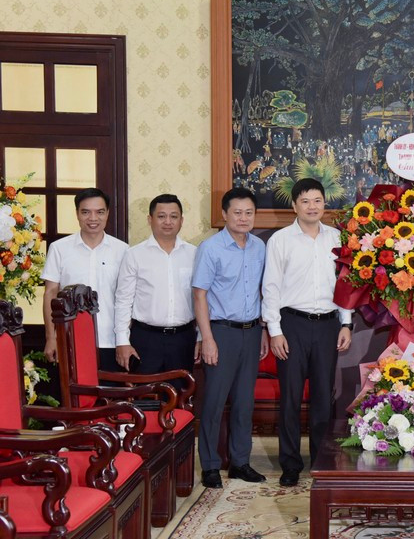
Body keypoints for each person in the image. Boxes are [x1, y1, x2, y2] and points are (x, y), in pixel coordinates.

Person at [262, 178, 353, 487]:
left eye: (317, 200)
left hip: (328, 325)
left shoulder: (337, 238)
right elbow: (271, 287)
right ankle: (290, 464)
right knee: (290, 397)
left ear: (324, 203)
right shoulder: (280, 240)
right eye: (305, 201)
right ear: (294, 206)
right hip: (292, 325)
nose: (312, 207)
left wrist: (346, 323)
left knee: (323, 398)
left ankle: (321, 462)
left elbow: (345, 284)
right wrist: (275, 331)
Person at [192, 188, 269, 489]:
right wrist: (207, 338)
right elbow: (199, 295)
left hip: (252, 331)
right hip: (221, 332)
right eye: (237, 212)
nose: (243, 218)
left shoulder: (259, 247)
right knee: (214, 402)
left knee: (244, 402)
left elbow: (262, 291)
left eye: (249, 213)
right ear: (224, 214)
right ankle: (211, 465)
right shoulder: (210, 248)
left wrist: (262, 330)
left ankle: (240, 462)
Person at [114, 194, 199, 390]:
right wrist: (122, 341)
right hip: (145, 339)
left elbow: (201, 299)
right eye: (161, 216)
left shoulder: (194, 254)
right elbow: (123, 300)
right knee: (143, 398)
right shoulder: (134, 255)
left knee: (180, 397)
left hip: (183, 338)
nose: (168, 222)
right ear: (150, 219)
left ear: (181, 220)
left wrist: (201, 337)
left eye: (173, 216)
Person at [42, 188, 128, 374]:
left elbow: (128, 298)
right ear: (77, 214)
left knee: (112, 392)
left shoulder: (123, 251)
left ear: (108, 213)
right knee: (72, 391)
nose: (93, 218)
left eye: (100, 212)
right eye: (86, 212)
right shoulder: (59, 249)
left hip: (111, 341)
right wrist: (51, 337)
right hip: (70, 339)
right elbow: (50, 293)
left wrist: (125, 340)